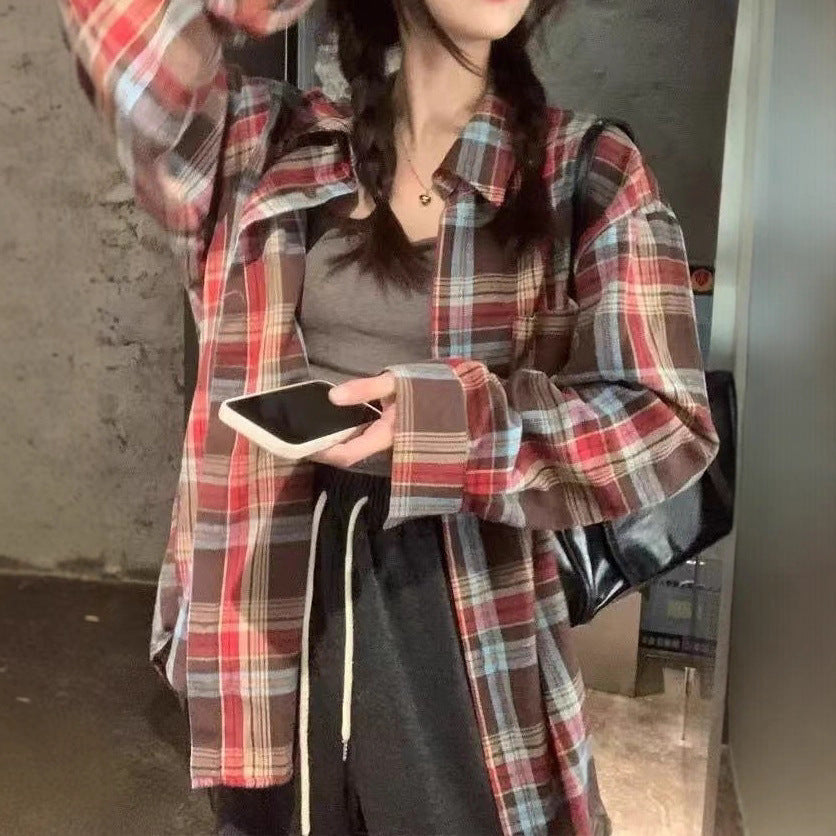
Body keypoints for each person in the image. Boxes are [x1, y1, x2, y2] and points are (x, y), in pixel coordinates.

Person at [57, 0, 719, 833]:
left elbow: (667, 419)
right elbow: (119, 32)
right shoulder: (264, 144)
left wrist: (453, 428)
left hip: (464, 613)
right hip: (276, 596)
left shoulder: (584, 168)